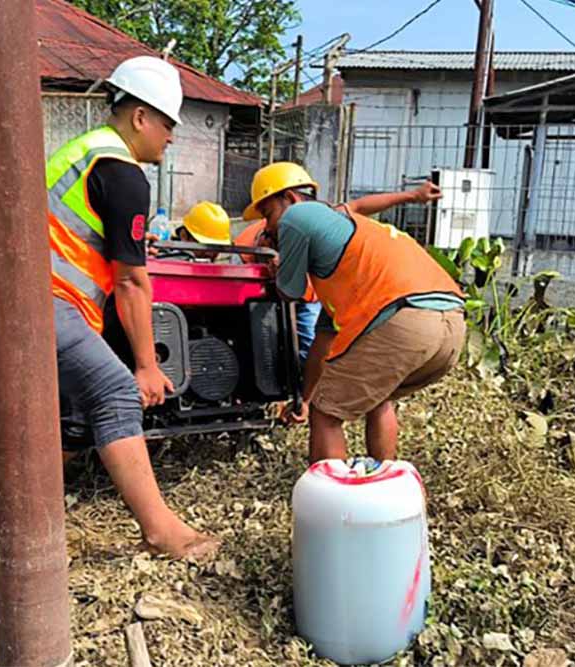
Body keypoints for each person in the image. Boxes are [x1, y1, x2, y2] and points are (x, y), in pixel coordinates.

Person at [46, 56, 217, 558]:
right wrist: (145, 364)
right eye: (168, 123)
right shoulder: (121, 171)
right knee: (115, 390)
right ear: (139, 116)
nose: (171, 137)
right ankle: (162, 530)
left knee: (71, 407)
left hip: (33, 298)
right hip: (48, 300)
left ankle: (28, 499)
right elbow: (132, 281)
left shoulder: (82, 153)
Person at [243, 162, 466, 463]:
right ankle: (384, 484)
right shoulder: (344, 255)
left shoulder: (298, 216)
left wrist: (279, 270)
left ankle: (330, 505)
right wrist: (305, 400)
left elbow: (290, 292)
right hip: (450, 326)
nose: (269, 229)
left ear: (291, 198)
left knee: (327, 415)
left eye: (268, 215)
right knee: (377, 397)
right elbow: (322, 346)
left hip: (403, 316)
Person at [234, 181, 443, 366]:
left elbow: (359, 206)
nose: (267, 224)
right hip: (297, 292)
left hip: (315, 295)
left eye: (268, 215)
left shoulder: (309, 219)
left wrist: (413, 196)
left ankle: (303, 383)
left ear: (291, 198)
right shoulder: (264, 234)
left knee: (310, 346)